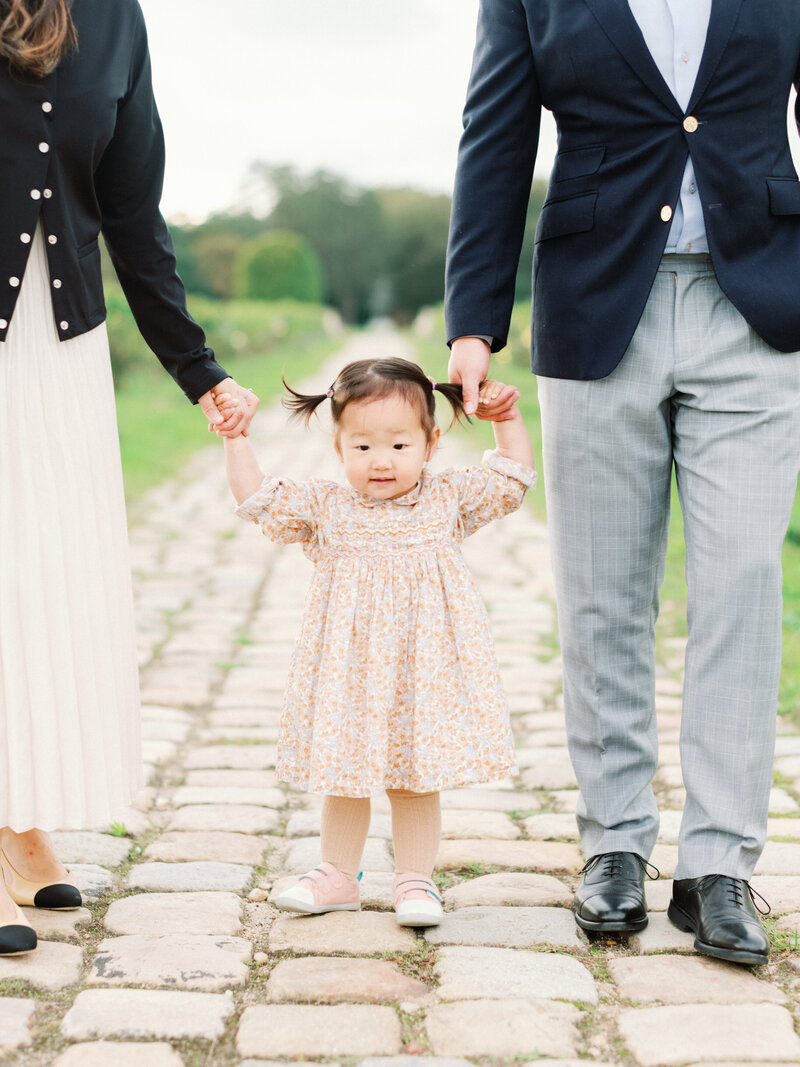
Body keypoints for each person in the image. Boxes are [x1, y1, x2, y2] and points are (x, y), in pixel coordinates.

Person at [445, 0, 800, 965]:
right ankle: (613, 841)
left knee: (740, 586)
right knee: (604, 596)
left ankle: (719, 863)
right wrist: (474, 318)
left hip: (759, 309)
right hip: (598, 307)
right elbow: (497, 133)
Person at [0, 0, 256, 955]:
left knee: (43, 582)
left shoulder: (112, 17)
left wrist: (200, 370)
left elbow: (133, 209)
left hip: (57, 348)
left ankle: (16, 812)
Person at [222, 357, 535, 925]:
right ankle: (337, 875)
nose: (381, 461)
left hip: (426, 668)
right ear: (339, 448)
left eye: (398, 446)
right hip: (351, 671)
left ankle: (416, 880)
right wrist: (236, 439)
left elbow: (511, 480)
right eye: (362, 448)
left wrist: (505, 417)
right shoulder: (327, 507)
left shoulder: (447, 499)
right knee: (345, 771)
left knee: (415, 775)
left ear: (431, 443)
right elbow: (258, 500)